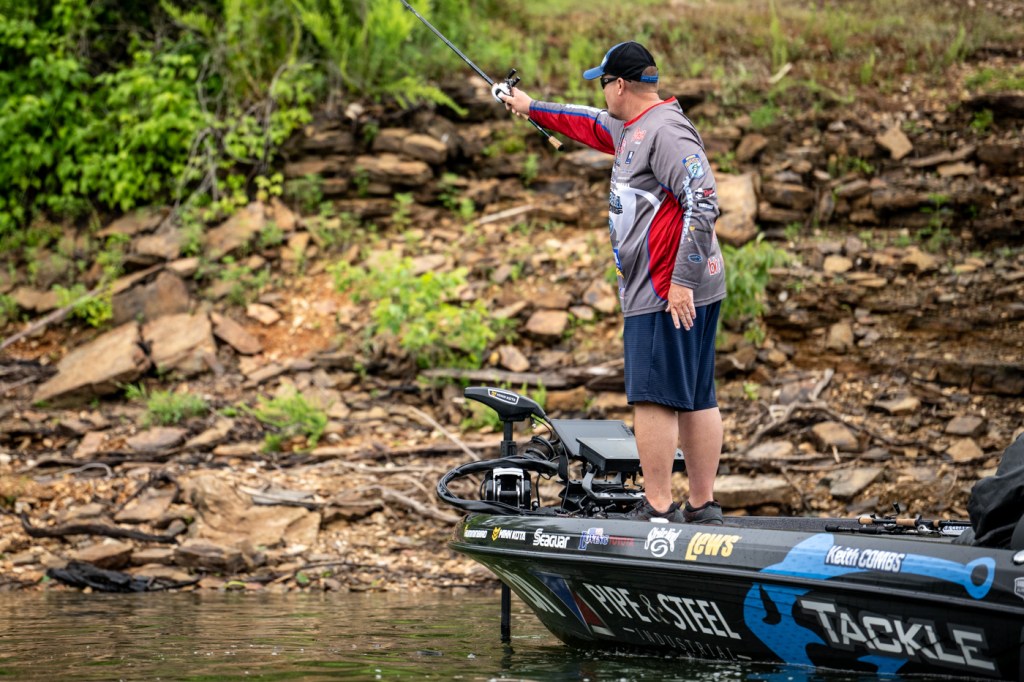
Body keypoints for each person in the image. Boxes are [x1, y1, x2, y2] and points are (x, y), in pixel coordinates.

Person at [500, 41, 726, 525]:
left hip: (667, 290)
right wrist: (529, 106)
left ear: (619, 85)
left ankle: (658, 507)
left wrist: (681, 281)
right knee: (695, 394)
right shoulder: (632, 126)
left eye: (603, 84)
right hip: (682, 285)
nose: (602, 94)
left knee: (654, 396)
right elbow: (584, 121)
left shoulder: (665, 131)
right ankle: (702, 506)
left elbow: (704, 200)